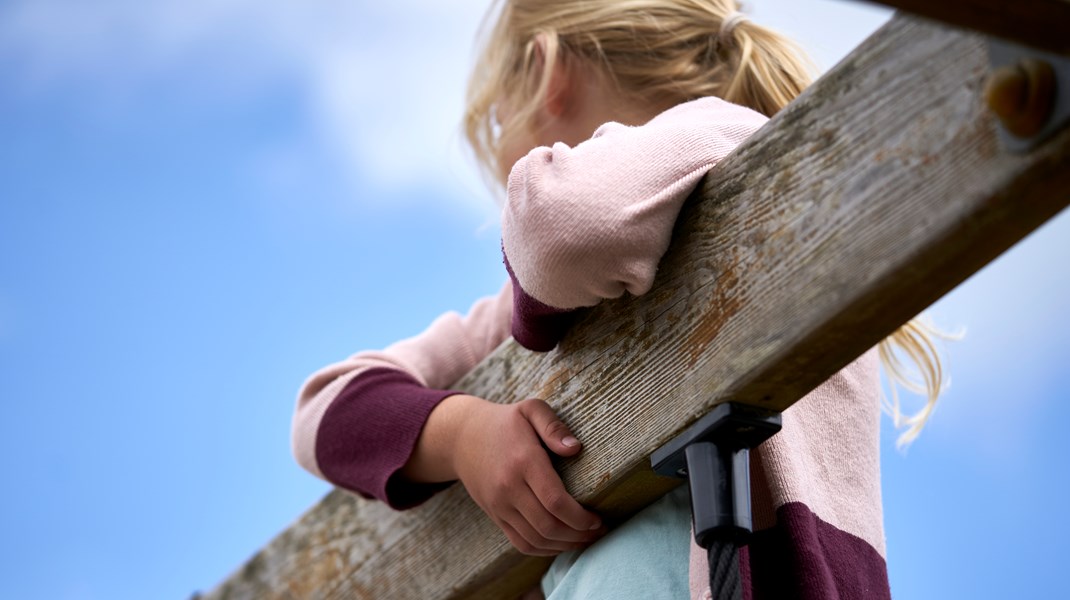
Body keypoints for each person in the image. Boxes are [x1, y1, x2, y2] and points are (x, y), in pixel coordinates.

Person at [291, 0, 948, 598]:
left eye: (500, 126)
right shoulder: (531, 298)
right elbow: (323, 413)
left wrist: (536, 324)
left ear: (547, 73)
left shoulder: (726, 135)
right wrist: (462, 434)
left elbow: (556, 226)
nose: (510, 193)